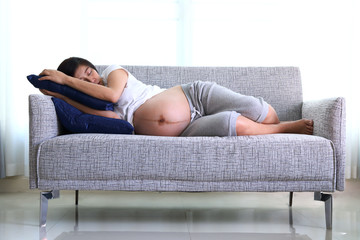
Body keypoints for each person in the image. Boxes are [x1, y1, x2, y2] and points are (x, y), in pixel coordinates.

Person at [39, 57, 314, 137]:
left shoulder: (112, 72)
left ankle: (277, 124)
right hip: (186, 129)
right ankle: (281, 130)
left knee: (261, 112)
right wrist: (66, 96)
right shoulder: (95, 103)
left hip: (195, 97)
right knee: (233, 124)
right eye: (82, 81)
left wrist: (64, 80)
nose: (90, 79)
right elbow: (111, 116)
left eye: (89, 72)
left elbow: (111, 92)